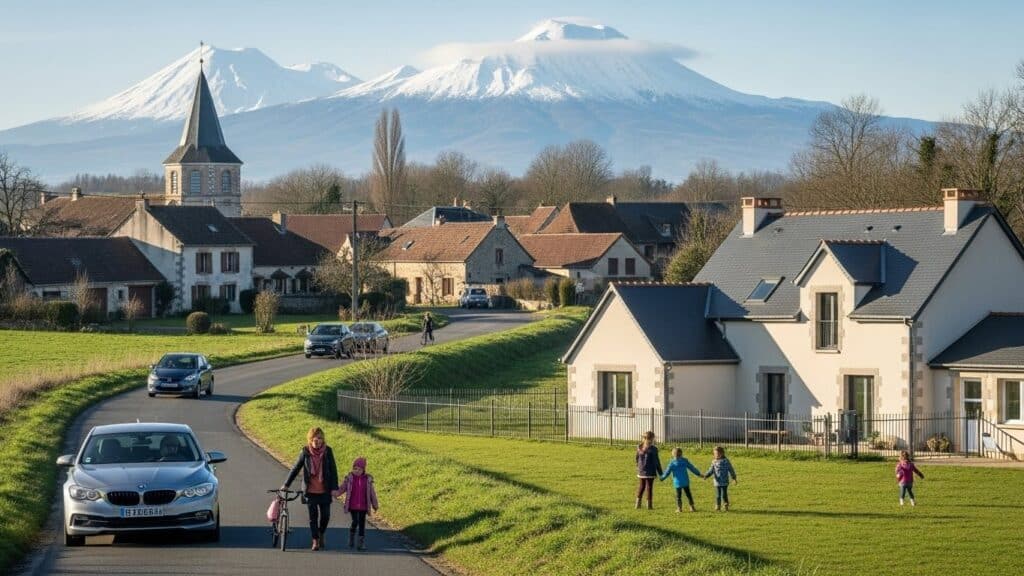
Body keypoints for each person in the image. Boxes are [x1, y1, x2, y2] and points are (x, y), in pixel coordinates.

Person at [281, 427, 339, 551]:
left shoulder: (328, 451)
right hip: (310, 491)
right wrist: (286, 484)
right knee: (313, 518)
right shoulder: (305, 452)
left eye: (321, 438)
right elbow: (295, 469)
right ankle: (315, 540)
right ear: (310, 439)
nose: (318, 441)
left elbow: (333, 471)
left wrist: (334, 488)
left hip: (324, 490)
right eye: (315, 438)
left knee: (325, 516)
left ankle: (321, 533)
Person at [334, 456, 379, 550]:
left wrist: (375, 504)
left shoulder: (367, 480)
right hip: (352, 505)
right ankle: (351, 535)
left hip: (363, 505)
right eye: (355, 469)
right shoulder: (349, 479)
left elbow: (372, 494)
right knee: (355, 521)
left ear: (363, 470)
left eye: (359, 469)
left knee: (362, 523)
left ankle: (361, 543)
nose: (356, 471)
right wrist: (336, 493)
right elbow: (342, 488)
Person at [659, 447, 702, 512]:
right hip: (685, 481)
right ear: (681, 454)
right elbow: (692, 468)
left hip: (677, 483)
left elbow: (667, 472)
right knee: (688, 494)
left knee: (678, 496)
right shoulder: (685, 461)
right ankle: (692, 507)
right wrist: (699, 474)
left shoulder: (672, 463)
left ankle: (679, 508)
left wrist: (662, 478)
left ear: (673, 454)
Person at [703, 446, 737, 511]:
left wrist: (734, 478)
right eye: (715, 454)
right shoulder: (714, 462)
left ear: (722, 453)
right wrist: (706, 475)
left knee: (724, 494)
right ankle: (718, 506)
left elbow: (731, 469)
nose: (716, 455)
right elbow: (711, 470)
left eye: (717, 454)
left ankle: (726, 505)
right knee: (718, 495)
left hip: (724, 481)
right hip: (717, 481)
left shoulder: (726, 461)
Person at [635, 431, 663, 510]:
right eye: (651, 438)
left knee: (645, 487)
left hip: (645, 471)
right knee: (646, 487)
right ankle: (644, 505)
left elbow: (637, 458)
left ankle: (643, 505)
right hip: (647, 471)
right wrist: (660, 472)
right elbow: (656, 461)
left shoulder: (642, 447)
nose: (651, 440)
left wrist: (638, 466)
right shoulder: (651, 449)